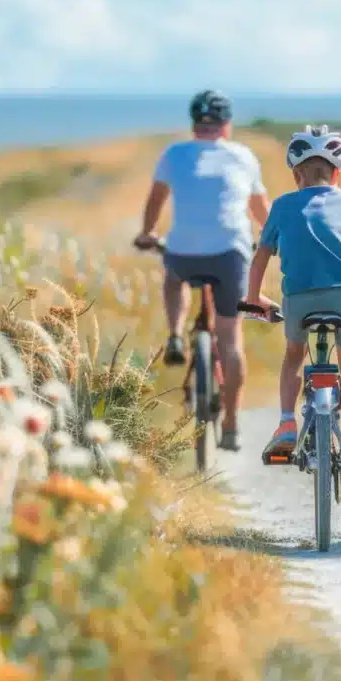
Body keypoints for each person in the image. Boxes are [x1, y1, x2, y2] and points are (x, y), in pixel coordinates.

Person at [247, 125, 341, 482]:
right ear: (337, 172)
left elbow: (262, 254)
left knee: (294, 356)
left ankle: (286, 423)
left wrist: (253, 298)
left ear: (296, 174)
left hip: (299, 296)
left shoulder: (281, 205)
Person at [134, 90, 270, 451]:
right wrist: (272, 241)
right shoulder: (242, 156)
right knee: (230, 339)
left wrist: (148, 234)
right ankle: (231, 427)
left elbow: (155, 201)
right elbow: (260, 213)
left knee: (174, 276)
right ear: (227, 125)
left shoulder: (175, 154)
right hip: (229, 252)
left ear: (194, 124)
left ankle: (176, 333)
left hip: (184, 250)